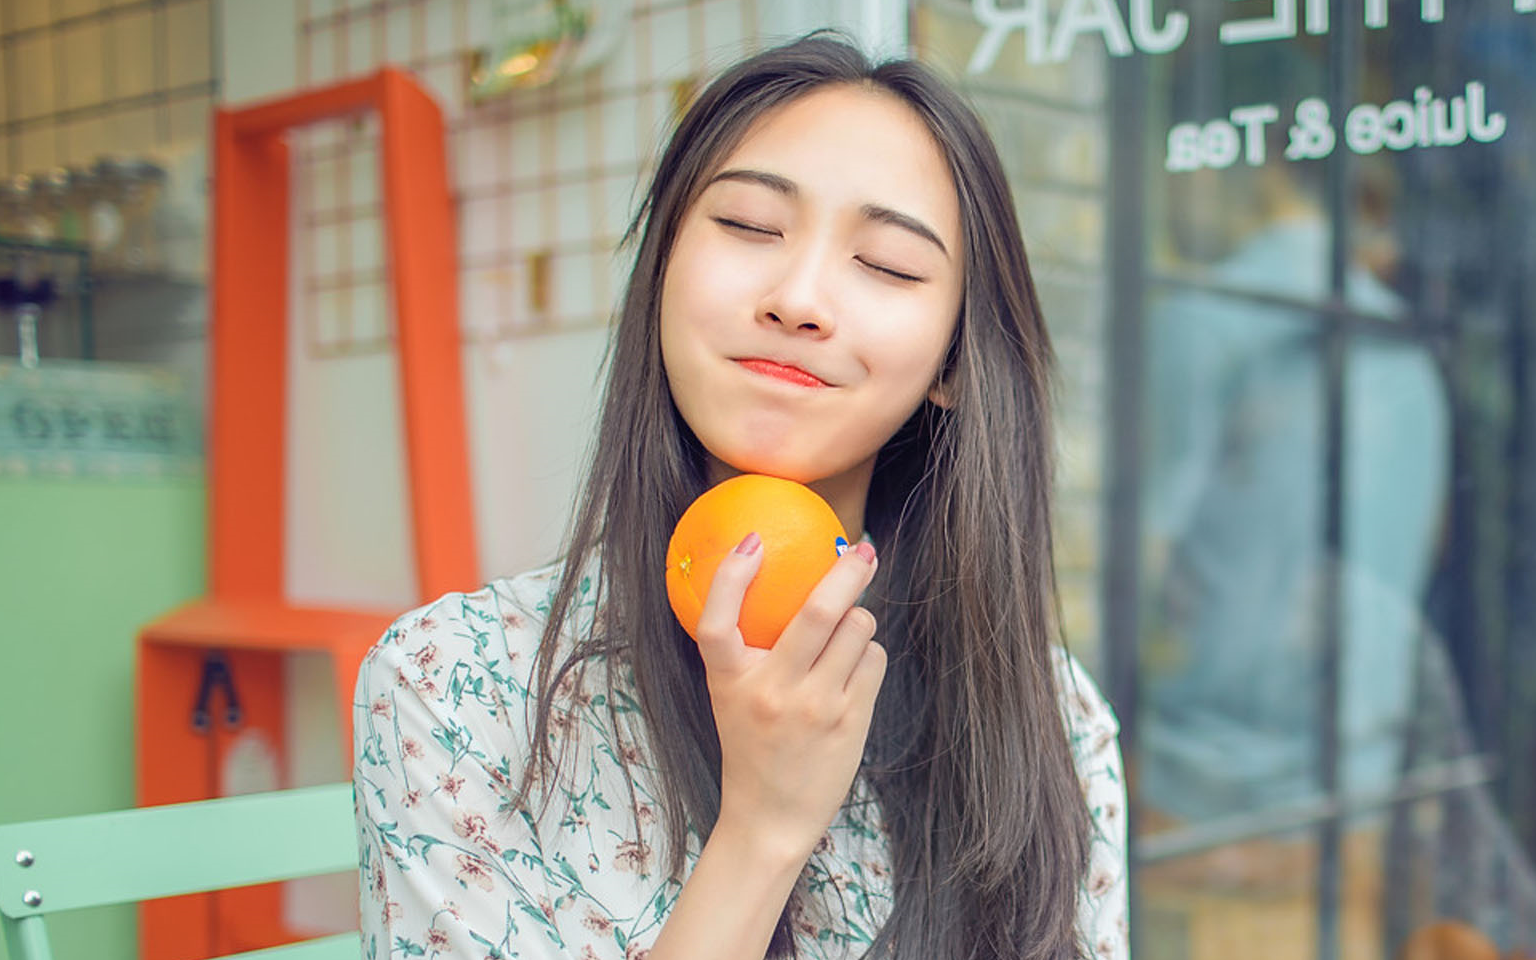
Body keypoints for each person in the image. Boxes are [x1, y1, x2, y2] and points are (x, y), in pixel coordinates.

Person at [353, 34, 1127, 960]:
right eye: (751, 226)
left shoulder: (1053, 718)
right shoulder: (456, 686)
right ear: (662, 276)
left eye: (886, 264)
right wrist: (761, 832)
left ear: (954, 363)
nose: (798, 297)